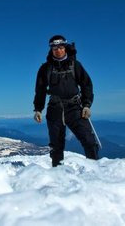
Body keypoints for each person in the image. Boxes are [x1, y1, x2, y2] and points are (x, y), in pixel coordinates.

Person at [33, 35, 99, 166]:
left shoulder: (75, 65)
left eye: (61, 47)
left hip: (75, 107)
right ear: (51, 49)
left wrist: (86, 105)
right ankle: (58, 175)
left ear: (65, 48)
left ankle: (94, 170)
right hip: (55, 108)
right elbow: (40, 90)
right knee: (56, 146)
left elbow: (86, 85)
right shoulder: (45, 68)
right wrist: (38, 109)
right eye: (54, 48)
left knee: (89, 140)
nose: (58, 50)